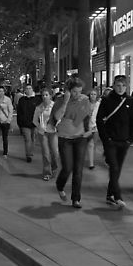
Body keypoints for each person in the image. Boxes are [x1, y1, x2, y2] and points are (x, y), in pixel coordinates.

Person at [49, 77, 92, 209]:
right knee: (67, 167)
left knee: (78, 170)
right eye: (74, 91)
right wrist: (66, 101)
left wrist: (89, 130)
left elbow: (87, 117)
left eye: (79, 91)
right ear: (68, 90)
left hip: (80, 137)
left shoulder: (84, 100)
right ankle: (60, 185)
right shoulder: (61, 100)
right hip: (65, 137)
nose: (77, 94)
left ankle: (76, 199)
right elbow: (56, 117)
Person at [97, 75, 133, 209]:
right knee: (114, 167)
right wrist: (105, 138)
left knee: (117, 169)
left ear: (126, 87)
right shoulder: (106, 100)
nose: (120, 88)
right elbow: (99, 120)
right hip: (110, 141)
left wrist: (131, 138)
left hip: (124, 141)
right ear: (114, 86)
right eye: (118, 85)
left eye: (123, 86)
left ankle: (110, 195)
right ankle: (118, 196)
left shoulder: (130, 101)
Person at [32, 88, 59, 181]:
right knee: (46, 153)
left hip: (53, 132)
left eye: (46, 95)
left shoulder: (54, 106)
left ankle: (55, 168)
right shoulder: (39, 107)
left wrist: (56, 124)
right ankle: (47, 172)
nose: (44, 97)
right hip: (43, 133)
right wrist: (40, 126)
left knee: (55, 153)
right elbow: (34, 120)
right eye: (43, 95)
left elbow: (59, 118)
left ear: (50, 96)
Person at [16, 84, 41, 163]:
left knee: (33, 139)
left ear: (32, 89)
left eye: (30, 88)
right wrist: (19, 122)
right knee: (28, 139)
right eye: (27, 88)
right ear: (25, 90)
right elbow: (19, 112)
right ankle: (28, 155)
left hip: (35, 123)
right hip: (25, 124)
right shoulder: (22, 100)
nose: (28, 90)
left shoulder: (37, 99)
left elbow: (40, 112)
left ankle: (30, 152)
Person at [86, 89, 100, 169]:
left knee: (94, 144)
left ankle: (92, 159)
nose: (93, 96)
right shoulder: (86, 104)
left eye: (94, 94)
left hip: (96, 126)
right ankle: (91, 163)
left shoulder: (99, 104)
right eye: (91, 94)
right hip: (87, 126)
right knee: (90, 144)